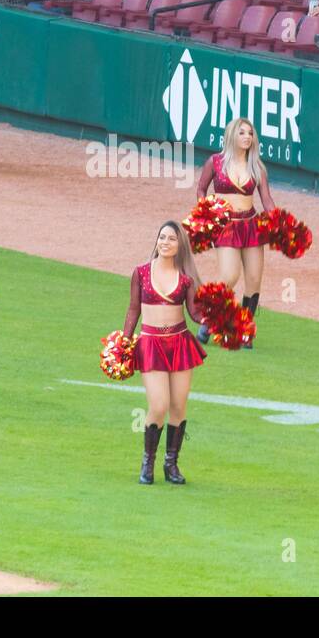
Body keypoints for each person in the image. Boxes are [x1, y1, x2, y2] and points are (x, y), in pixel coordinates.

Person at [121, 221, 208, 485]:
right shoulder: (141, 272)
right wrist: (125, 342)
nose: (165, 242)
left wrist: (216, 317)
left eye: (171, 239)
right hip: (151, 343)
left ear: (180, 245)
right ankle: (148, 461)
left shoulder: (186, 279)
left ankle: (171, 464)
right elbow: (133, 309)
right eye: (162, 237)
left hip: (179, 343)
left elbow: (195, 314)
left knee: (178, 406)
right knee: (158, 405)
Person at [194, 118, 278, 346]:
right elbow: (201, 188)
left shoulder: (257, 167)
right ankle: (209, 321)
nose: (247, 137)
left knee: (253, 279)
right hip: (226, 225)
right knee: (230, 275)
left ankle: (245, 330)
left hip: (250, 225)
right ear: (232, 135)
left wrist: (277, 220)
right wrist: (206, 209)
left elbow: (266, 199)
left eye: (250, 133)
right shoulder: (216, 162)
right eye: (242, 133)